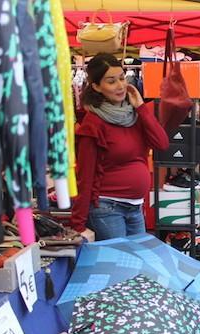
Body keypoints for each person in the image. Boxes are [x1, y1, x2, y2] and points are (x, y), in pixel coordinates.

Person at [71, 53, 169, 240]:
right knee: (121, 266)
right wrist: (78, 224)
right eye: (111, 81)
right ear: (96, 87)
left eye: (122, 78)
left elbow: (162, 144)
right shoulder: (93, 124)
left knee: (137, 264)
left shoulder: (134, 114)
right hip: (107, 208)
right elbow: (85, 176)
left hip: (135, 207)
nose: (120, 85)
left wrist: (141, 107)